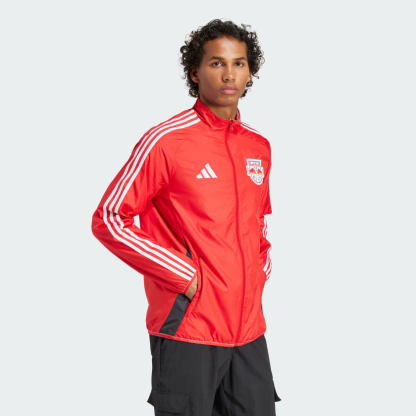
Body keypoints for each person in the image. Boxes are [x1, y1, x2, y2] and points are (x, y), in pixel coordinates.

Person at [91, 18, 281, 415]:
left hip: (248, 330)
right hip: (189, 328)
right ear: (195, 72)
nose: (229, 74)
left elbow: (259, 222)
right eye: (216, 63)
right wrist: (186, 277)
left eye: (239, 63)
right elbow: (109, 218)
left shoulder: (258, 146)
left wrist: (258, 274)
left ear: (250, 71)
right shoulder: (166, 141)